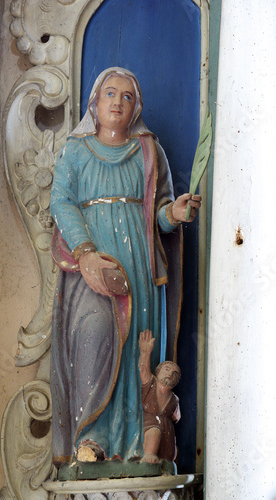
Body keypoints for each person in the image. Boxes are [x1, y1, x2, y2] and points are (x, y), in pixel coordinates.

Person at [50, 67, 201, 466]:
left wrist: (176, 212)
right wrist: (85, 253)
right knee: (93, 335)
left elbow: (159, 217)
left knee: (140, 350)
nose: (118, 102)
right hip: (94, 266)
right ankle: (90, 436)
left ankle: (138, 443)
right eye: (110, 94)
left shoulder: (149, 151)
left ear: (136, 108)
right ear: (94, 105)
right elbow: (61, 201)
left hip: (139, 269)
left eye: (127, 96)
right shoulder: (76, 150)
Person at [139, 329, 181, 464]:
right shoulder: (151, 385)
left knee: (169, 451)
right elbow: (144, 370)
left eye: (175, 374)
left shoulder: (174, 399)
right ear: (157, 372)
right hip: (150, 425)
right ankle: (149, 455)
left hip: (167, 434)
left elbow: (176, 417)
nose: (170, 374)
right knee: (154, 433)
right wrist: (145, 352)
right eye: (167, 369)